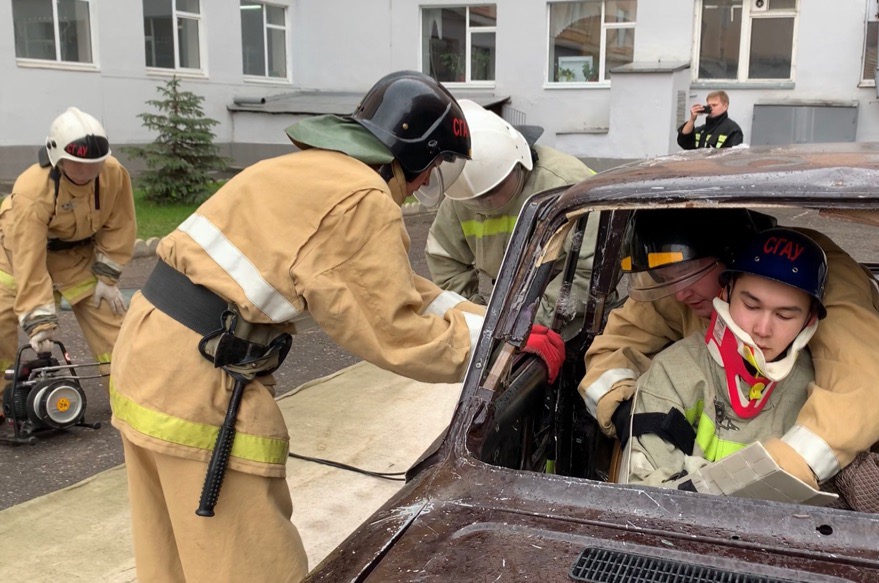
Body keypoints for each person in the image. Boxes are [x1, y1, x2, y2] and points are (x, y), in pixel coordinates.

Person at [108, 71, 565, 583]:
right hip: (197, 380)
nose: (420, 189)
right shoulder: (361, 198)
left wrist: (493, 323)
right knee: (247, 562)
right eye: (432, 169)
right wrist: (498, 350)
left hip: (150, 356)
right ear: (415, 154)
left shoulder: (312, 171)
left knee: (173, 556)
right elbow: (396, 331)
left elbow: (395, 287)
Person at [580, 209, 879, 490]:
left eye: (688, 276)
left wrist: (782, 471)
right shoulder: (675, 267)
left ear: (733, 259)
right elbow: (618, 343)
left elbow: (866, 386)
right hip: (750, 378)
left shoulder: (819, 275)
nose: (678, 293)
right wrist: (626, 405)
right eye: (665, 280)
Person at [616, 227, 827, 486]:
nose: (762, 329)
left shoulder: (819, 391)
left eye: (784, 316)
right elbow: (641, 490)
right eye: (751, 305)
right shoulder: (673, 371)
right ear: (726, 293)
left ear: (809, 319)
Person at [424, 99, 597, 324]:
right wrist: (475, 316)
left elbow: (590, 272)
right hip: (508, 308)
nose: (486, 203)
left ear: (520, 163)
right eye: (475, 199)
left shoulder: (568, 185)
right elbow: (444, 258)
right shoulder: (463, 191)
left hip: (576, 315)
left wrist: (528, 320)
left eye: (495, 190)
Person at [0, 106, 135, 379]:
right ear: (57, 158)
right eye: (79, 163)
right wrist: (39, 322)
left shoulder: (113, 174)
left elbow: (120, 225)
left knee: (113, 321)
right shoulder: (32, 191)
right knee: (1, 319)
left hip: (75, 257)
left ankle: (128, 393)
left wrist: (107, 279)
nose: (89, 170)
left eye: (96, 163)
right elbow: (29, 259)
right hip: (15, 256)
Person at [677, 90, 744, 150]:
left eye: (714, 105)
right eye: (709, 106)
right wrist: (692, 119)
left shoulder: (732, 130)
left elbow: (733, 156)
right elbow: (684, 142)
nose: (711, 108)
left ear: (725, 106)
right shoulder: (702, 130)